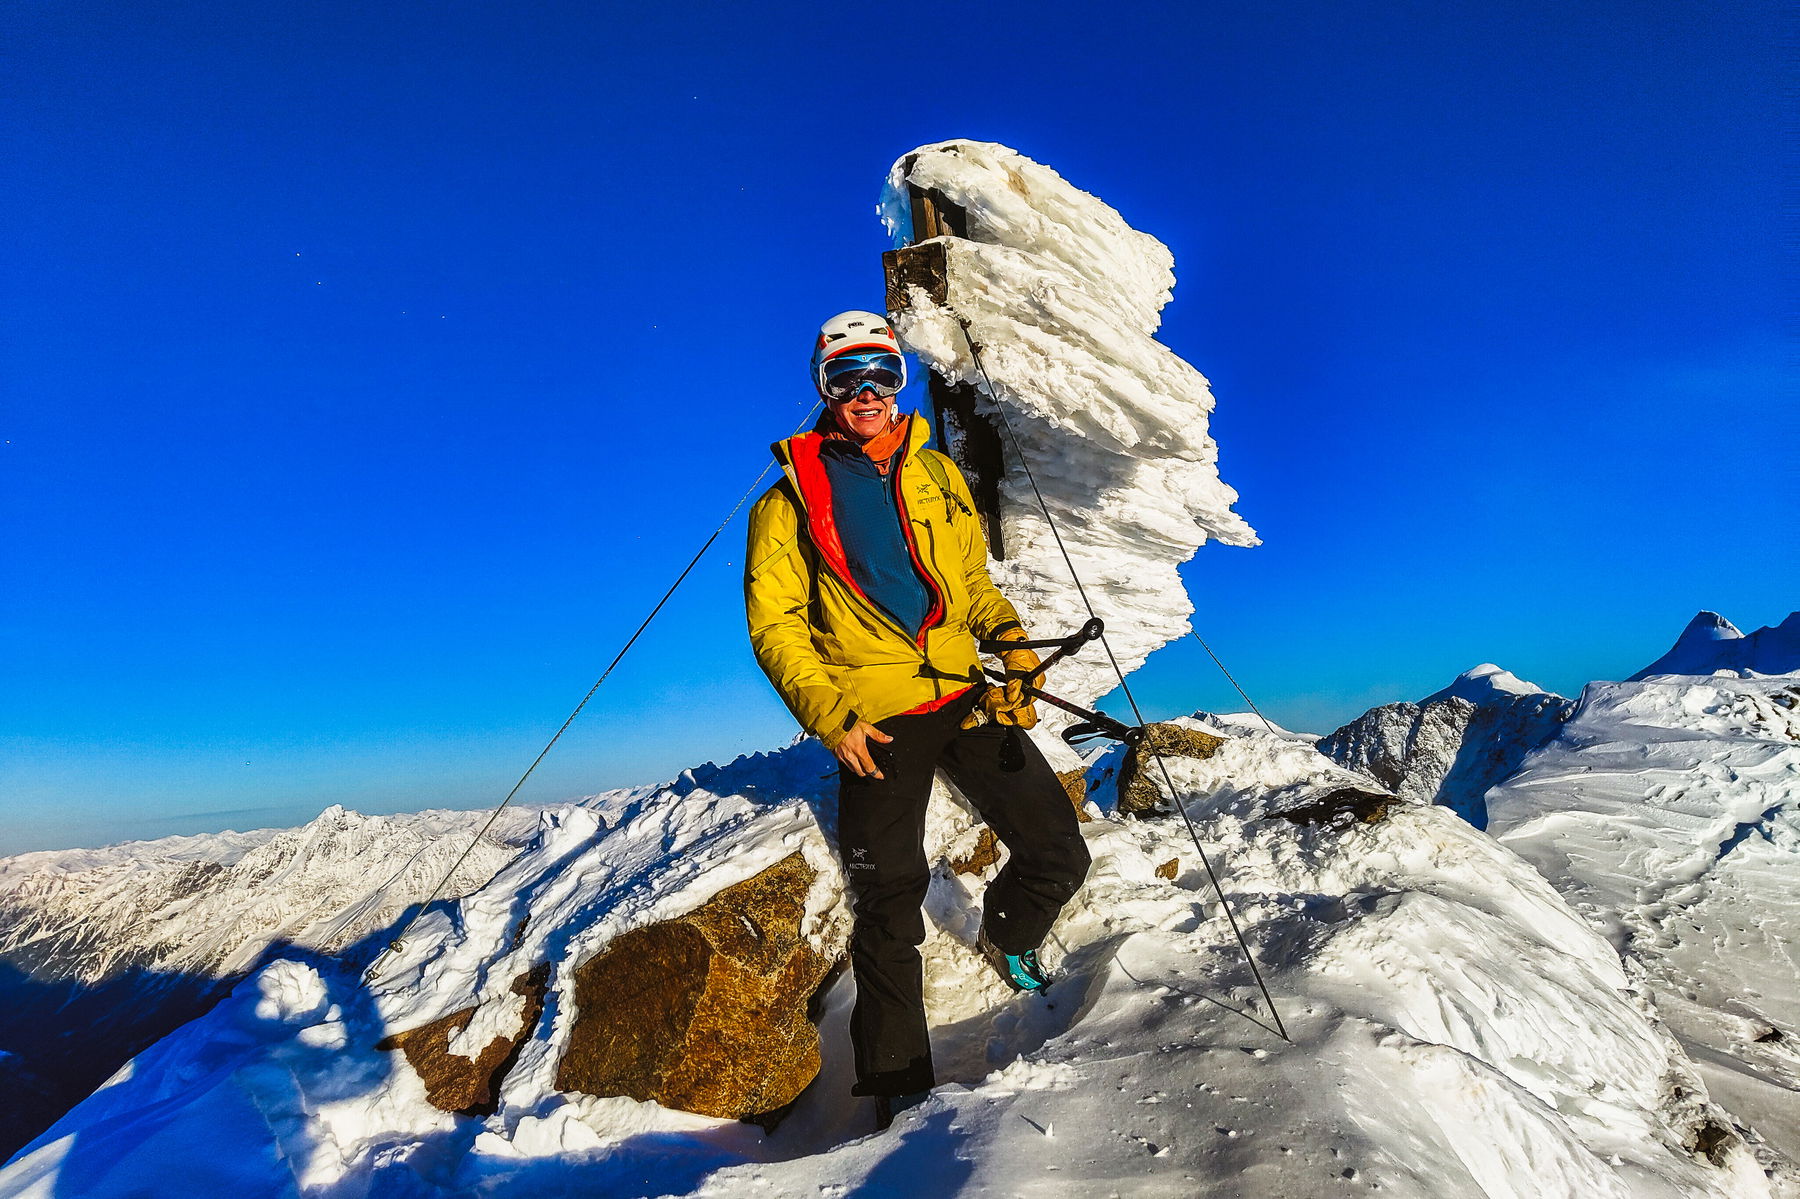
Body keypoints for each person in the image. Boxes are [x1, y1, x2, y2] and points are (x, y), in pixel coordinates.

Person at [743, 310, 1091, 1129]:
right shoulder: (788, 499)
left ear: (899, 379)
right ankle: (899, 1092)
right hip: (877, 714)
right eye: (844, 378)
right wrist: (833, 717)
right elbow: (778, 624)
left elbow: (968, 580)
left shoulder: (934, 472)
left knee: (1054, 844)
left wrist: (1008, 640)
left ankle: (1007, 933)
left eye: (880, 374)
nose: (865, 393)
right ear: (823, 389)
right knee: (889, 900)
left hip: (963, 687)